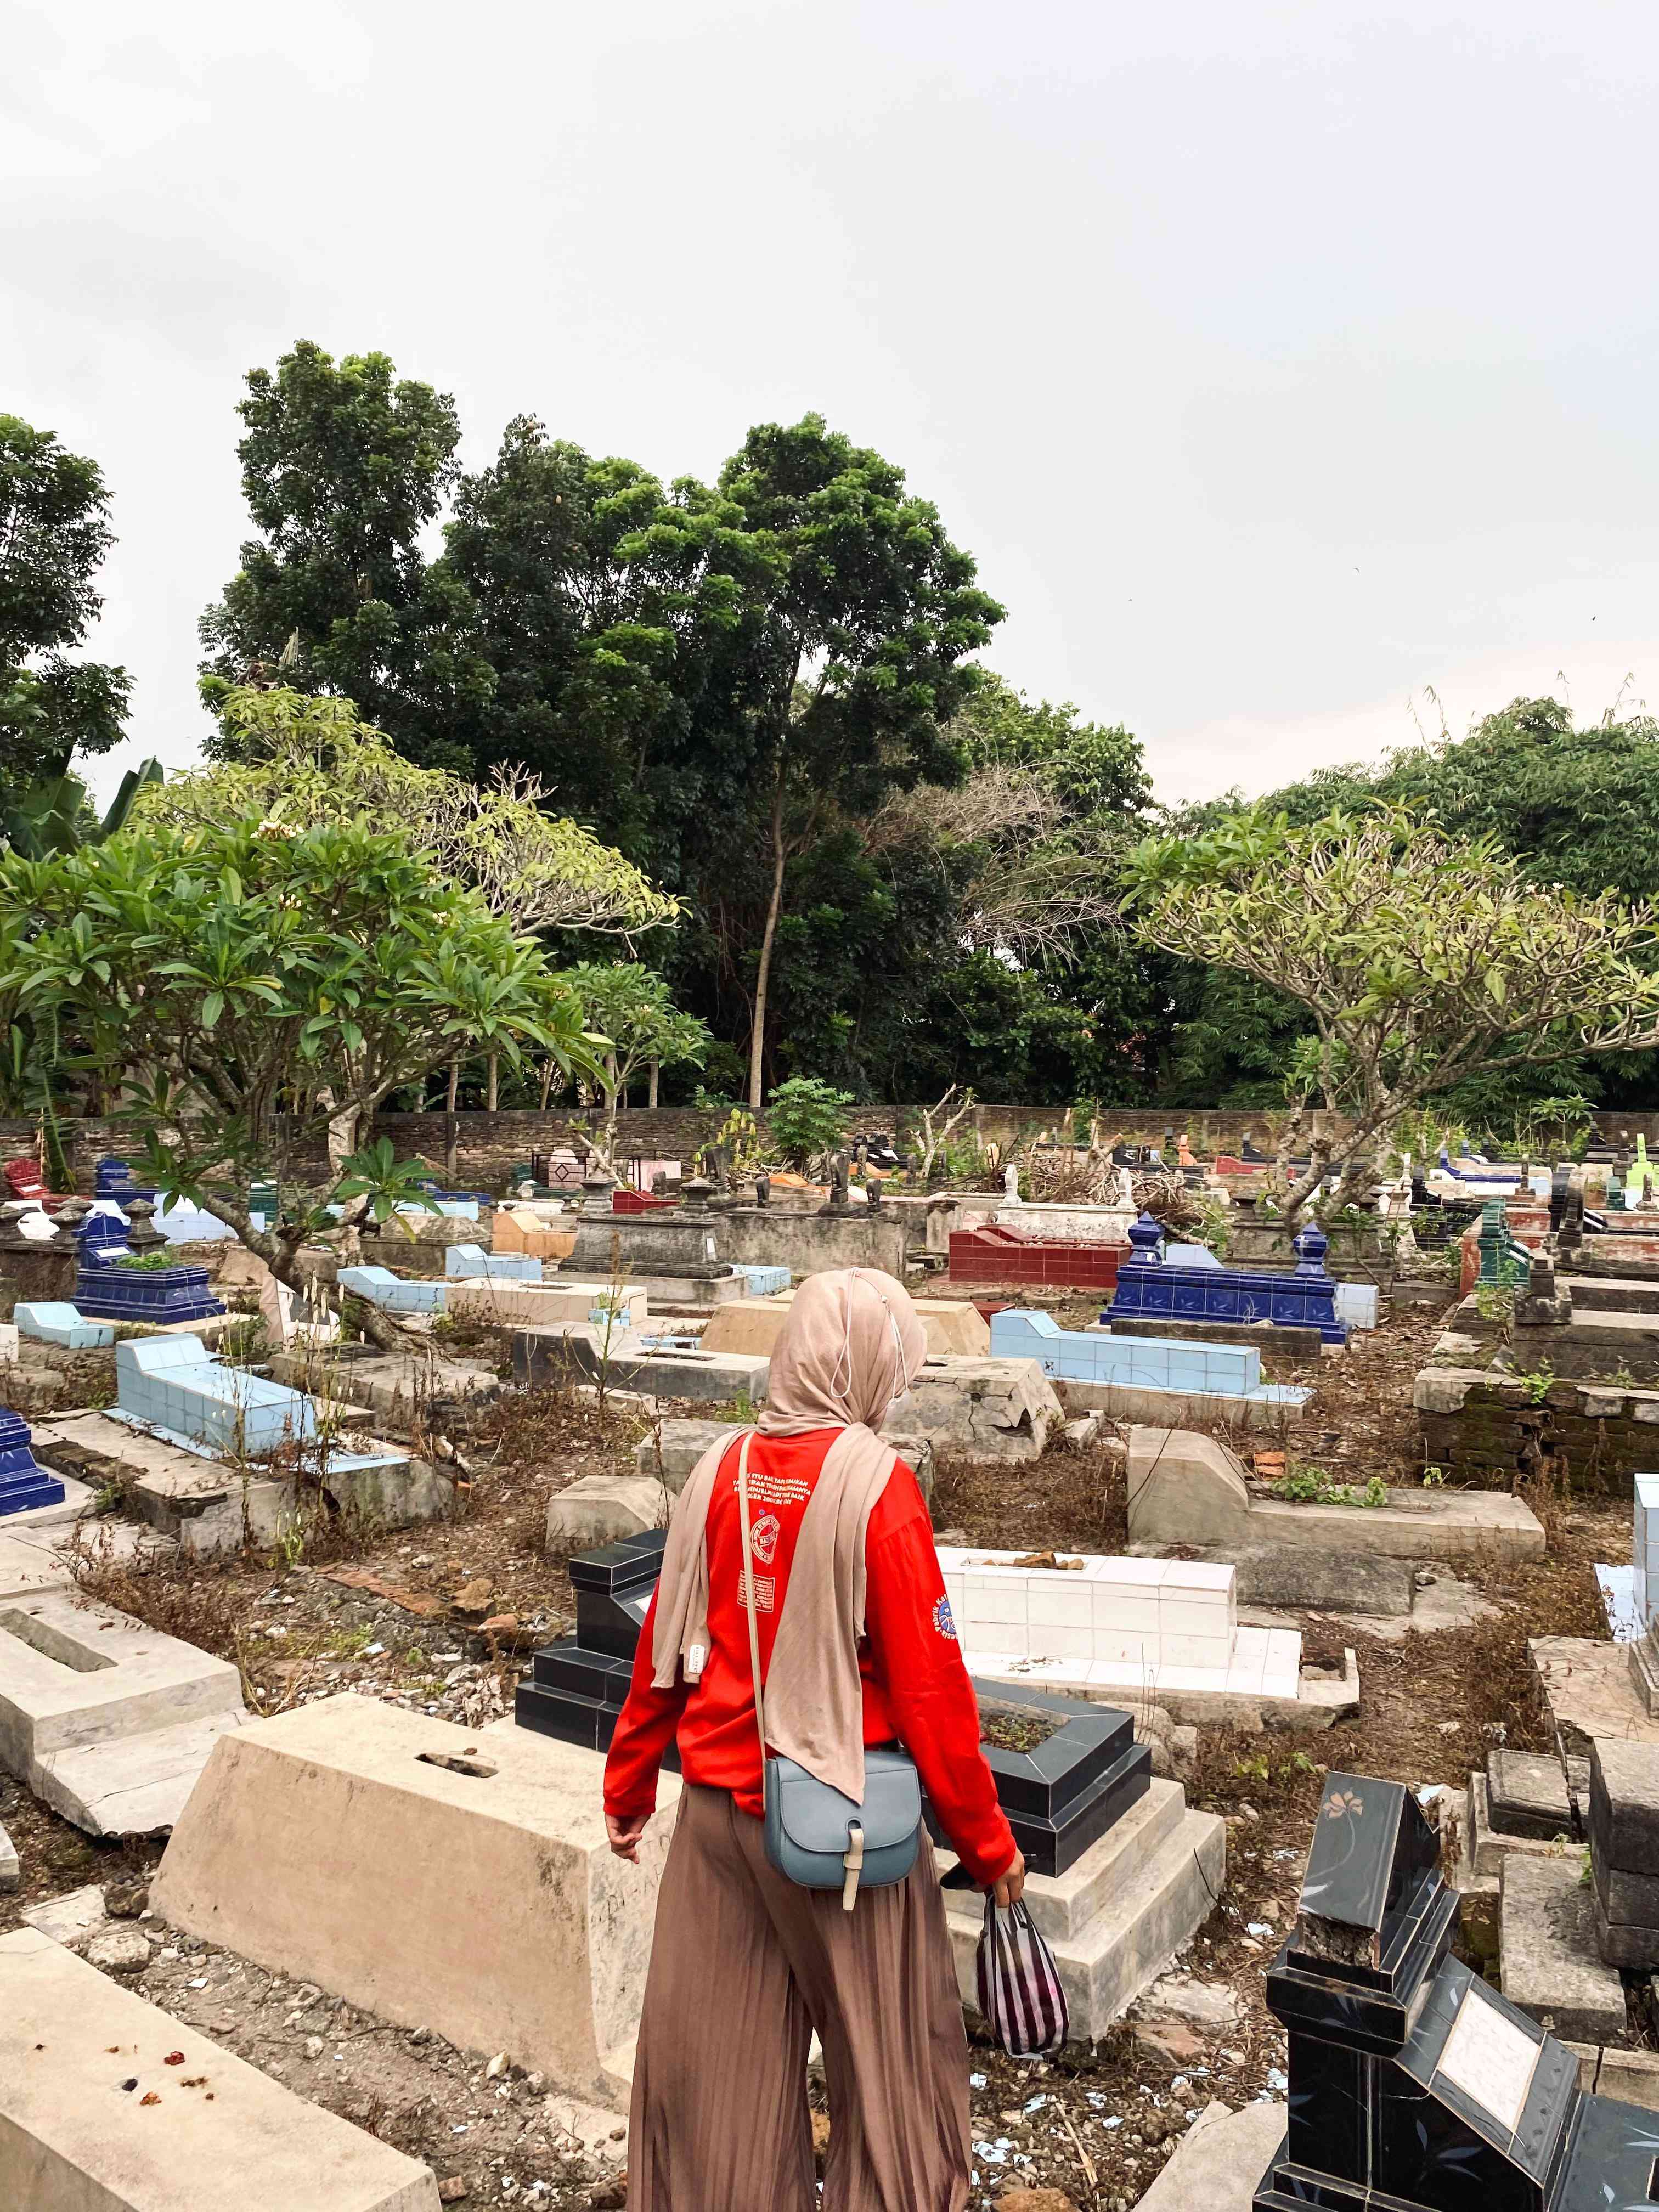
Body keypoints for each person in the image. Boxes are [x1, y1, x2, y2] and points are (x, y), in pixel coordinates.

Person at [604, 1266, 1024, 2212]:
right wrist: (988, 1846)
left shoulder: (718, 1469)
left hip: (715, 1826)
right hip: (843, 1836)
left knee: (720, 2099)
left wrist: (629, 1792)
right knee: (894, 2083)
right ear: (865, 1367)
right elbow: (932, 1694)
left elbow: (665, 1648)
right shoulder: (880, 1490)